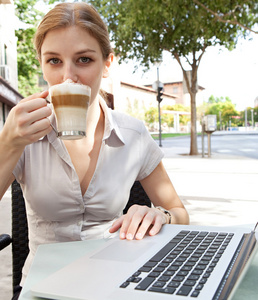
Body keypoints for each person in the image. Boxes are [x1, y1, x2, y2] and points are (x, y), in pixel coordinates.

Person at [0, 2, 189, 298]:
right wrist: (8, 143)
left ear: (107, 63)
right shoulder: (23, 134)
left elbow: (179, 212)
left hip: (114, 282)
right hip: (43, 286)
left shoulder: (133, 135)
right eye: (54, 61)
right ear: (41, 64)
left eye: (84, 60)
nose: (68, 77)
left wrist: (161, 216)